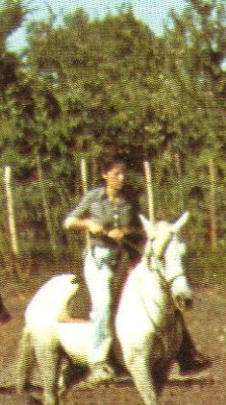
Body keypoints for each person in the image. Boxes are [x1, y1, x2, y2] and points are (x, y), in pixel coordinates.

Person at [64, 156, 211, 383]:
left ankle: (186, 353)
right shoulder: (93, 198)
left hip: (124, 256)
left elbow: (138, 227)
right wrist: (90, 225)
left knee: (165, 294)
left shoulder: (129, 200)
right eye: (116, 174)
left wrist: (125, 230)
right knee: (103, 305)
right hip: (98, 259)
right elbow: (69, 221)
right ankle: (98, 362)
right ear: (105, 175)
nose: (121, 179)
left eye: (123, 174)